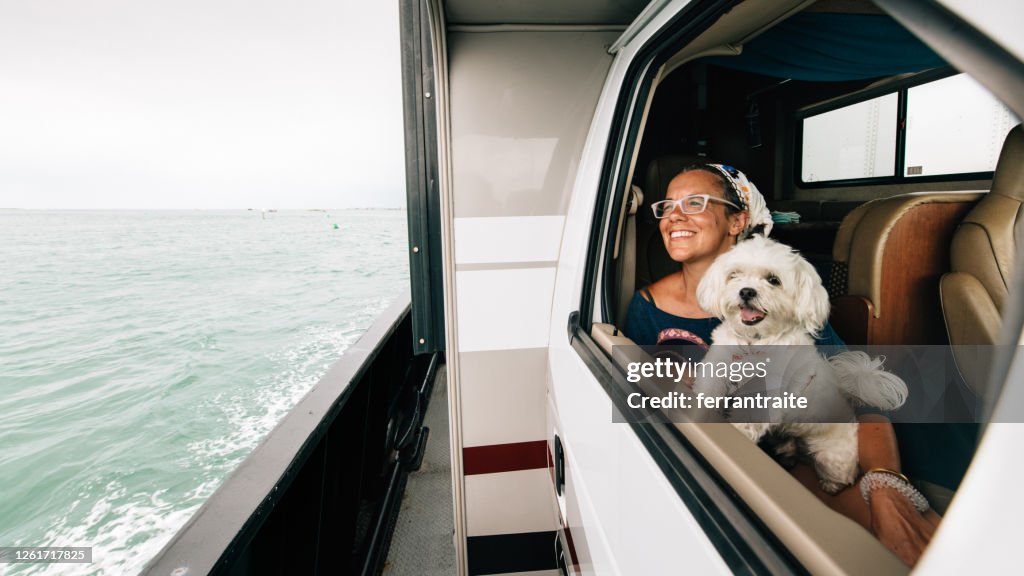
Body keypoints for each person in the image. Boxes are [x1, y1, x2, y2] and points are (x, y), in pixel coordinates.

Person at [623, 163, 939, 566]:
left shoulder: (789, 301)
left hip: (806, 454)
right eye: (667, 206)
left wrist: (886, 488)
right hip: (720, 468)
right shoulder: (645, 310)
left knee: (911, 548)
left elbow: (857, 397)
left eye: (695, 203)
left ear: (737, 220)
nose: (674, 216)